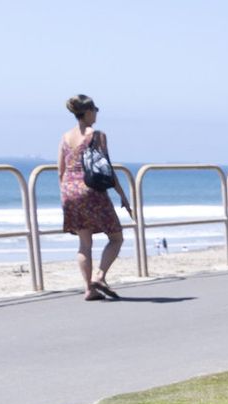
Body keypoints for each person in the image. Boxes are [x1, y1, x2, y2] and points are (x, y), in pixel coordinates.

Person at [58, 94, 131, 300]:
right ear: (88, 111)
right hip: (92, 191)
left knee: (84, 243)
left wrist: (66, 196)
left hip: (70, 191)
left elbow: (60, 170)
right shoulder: (97, 135)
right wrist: (122, 195)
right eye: (95, 110)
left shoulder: (65, 137)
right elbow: (105, 168)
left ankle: (88, 290)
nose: (97, 114)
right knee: (116, 237)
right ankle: (99, 277)